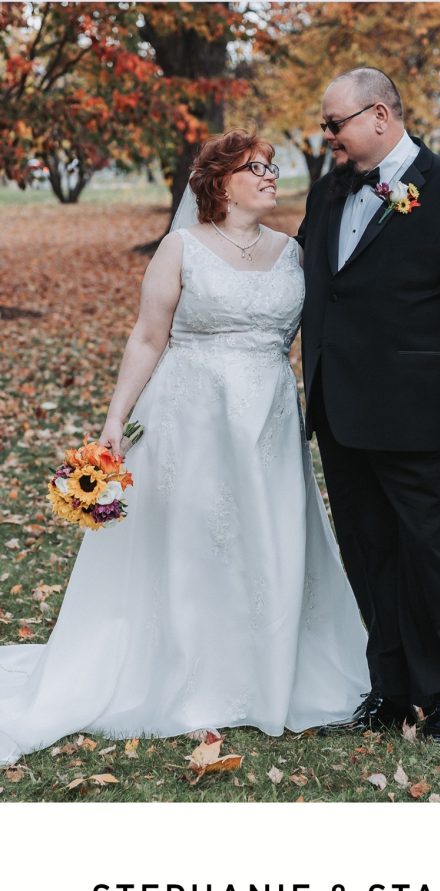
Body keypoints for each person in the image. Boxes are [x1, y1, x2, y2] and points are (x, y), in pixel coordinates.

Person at [0, 128, 372, 766]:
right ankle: (185, 672)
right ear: (221, 182)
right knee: (195, 541)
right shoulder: (181, 248)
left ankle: (273, 668)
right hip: (189, 416)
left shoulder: (294, 252)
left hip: (270, 419)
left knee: (271, 538)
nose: (269, 175)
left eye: (271, 166)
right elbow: (148, 337)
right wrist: (115, 422)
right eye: (255, 167)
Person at [297, 67, 440, 743]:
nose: (327, 137)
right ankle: (390, 692)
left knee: (427, 559)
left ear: (377, 115)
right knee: (370, 557)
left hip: (421, 414)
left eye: (333, 124)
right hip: (341, 413)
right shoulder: (326, 194)